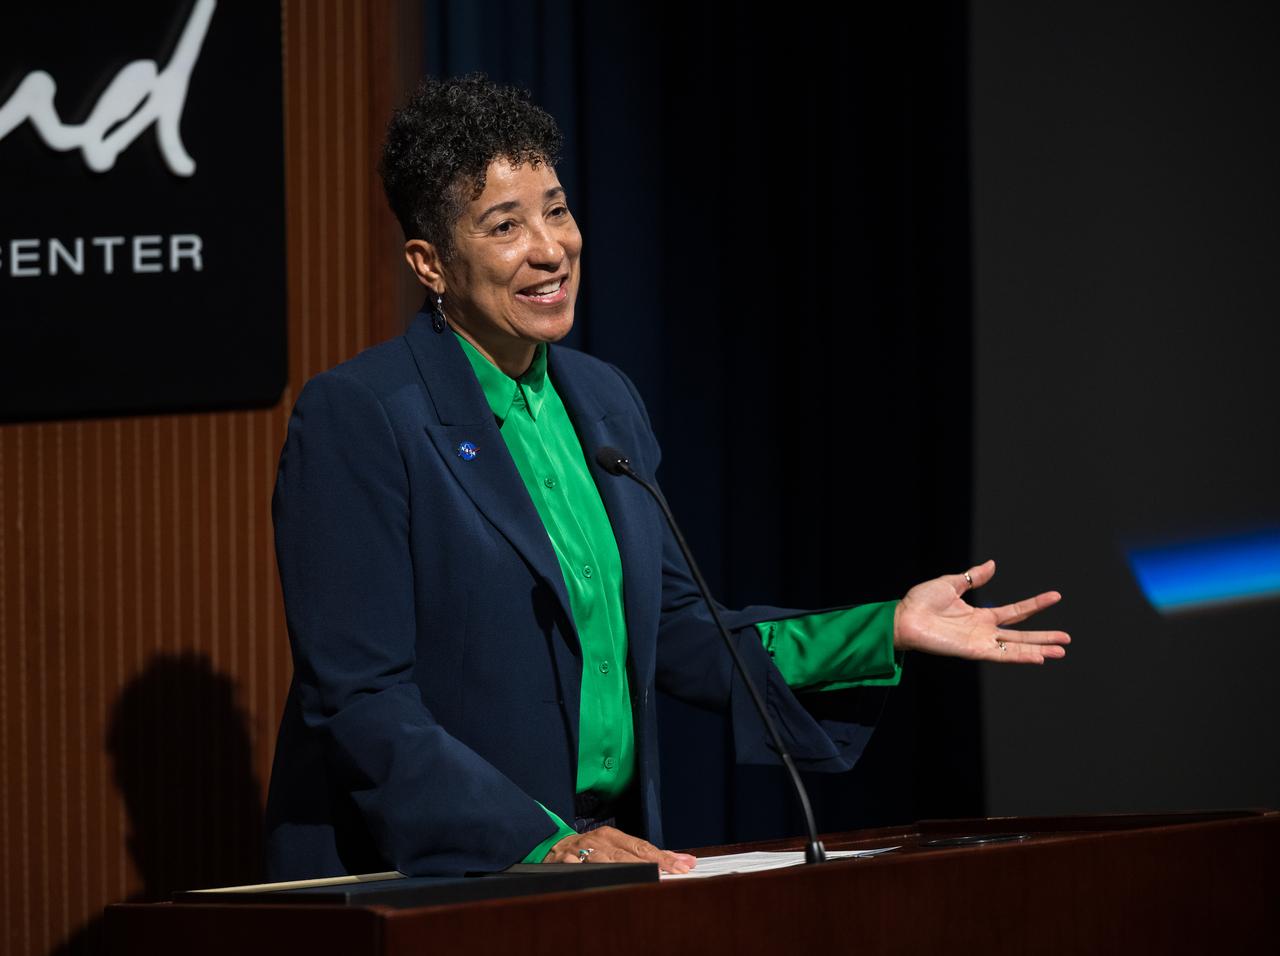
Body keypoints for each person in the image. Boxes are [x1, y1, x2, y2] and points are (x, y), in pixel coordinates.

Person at [263, 74, 1069, 880]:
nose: (550, 247)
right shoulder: (363, 417)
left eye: (556, 209)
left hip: (607, 861)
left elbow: (683, 631)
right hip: (442, 875)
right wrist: (538, 843)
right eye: (505, 225)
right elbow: (361, 701)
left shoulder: (603, 400)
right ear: (430, 263)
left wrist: (885, 626)